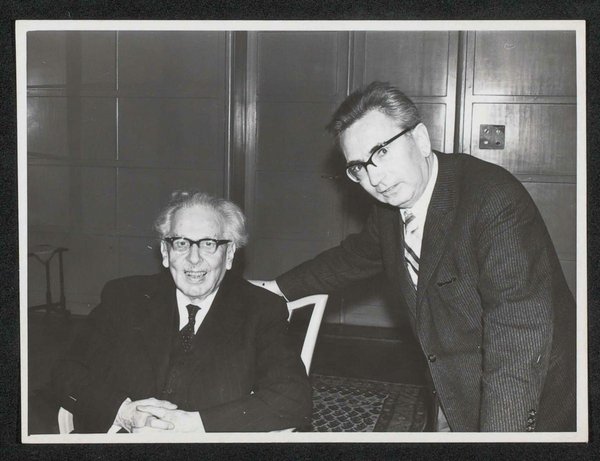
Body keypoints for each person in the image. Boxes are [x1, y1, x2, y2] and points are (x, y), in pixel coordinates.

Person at [256, 82, 576, 432]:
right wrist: (273, 290)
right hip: (454, 383)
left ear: (421, 139)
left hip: (529, 398)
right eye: (358, 167)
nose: (374, 178)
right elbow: (352, 258)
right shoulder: (391, 208)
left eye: (381, 152)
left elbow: (517, 340)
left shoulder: (493, 201)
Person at [51, 192, 312, 433]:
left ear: (230, 254)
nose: (194, 258)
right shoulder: (124, 297)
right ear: (165, 253)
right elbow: (65, 371)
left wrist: (194, 425)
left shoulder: (261, 309)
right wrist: (124, 413)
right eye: (181, 243)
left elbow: (293, 399)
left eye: (208, 243)